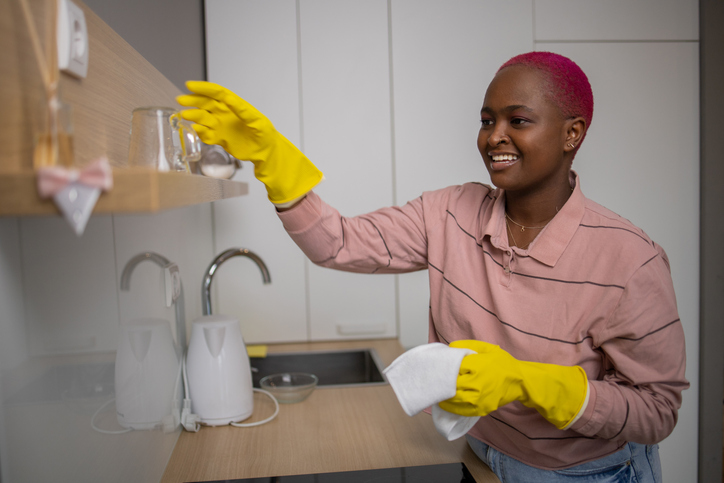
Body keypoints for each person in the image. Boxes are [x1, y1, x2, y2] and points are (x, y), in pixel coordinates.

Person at [177, 51, 689, 482]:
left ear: (572, 134)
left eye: (519, 120)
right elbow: (337, 244)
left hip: (588, 474)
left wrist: (532, 383)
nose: (494, 137)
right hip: (482, 454)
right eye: (487, 120)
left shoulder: (629, 259)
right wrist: (275, 162)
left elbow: (658, 409)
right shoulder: (449, 213)